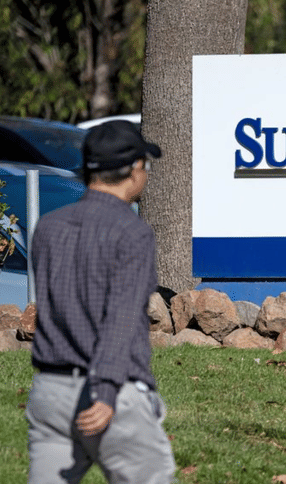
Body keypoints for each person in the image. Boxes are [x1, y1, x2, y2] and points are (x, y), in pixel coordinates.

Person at [26, 120, 176, 483]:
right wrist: (105, 391)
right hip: (110, 397)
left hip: (49, 393)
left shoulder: (48, 227)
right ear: (135, 168)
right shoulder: (132, 232)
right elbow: (122, 317)